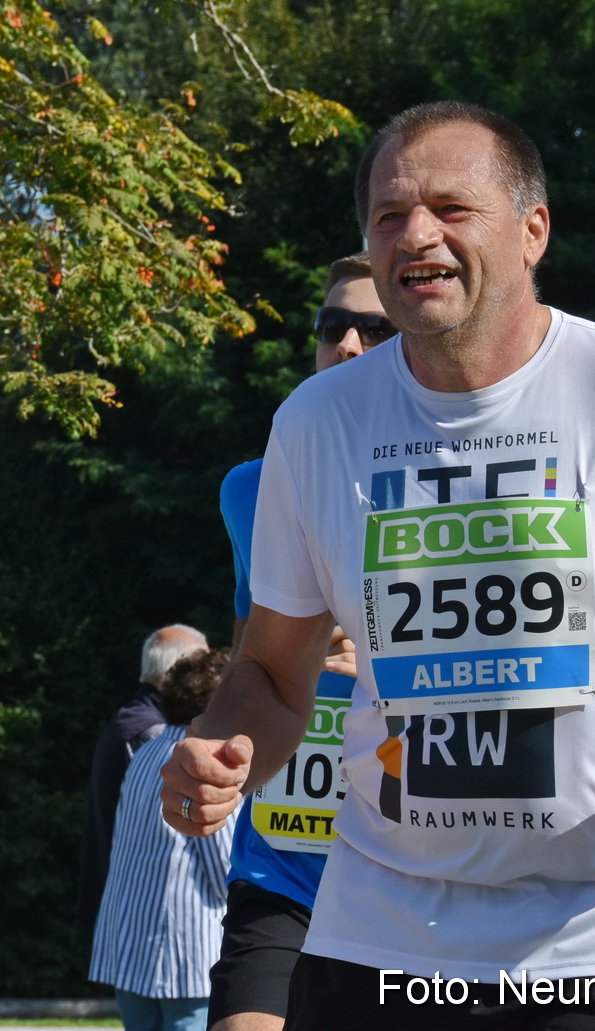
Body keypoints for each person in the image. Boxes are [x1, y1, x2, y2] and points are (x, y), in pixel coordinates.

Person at [162, 100, 595, 1028]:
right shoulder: (317, 426)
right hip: (377, 925)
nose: (417, 236)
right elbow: (274, 678)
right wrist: (223, 748)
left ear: (534, 230)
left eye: (452, 207)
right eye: (391, 215)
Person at [208, 255, 389, 1031]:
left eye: (372, 329)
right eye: (331, 327)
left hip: (405, 867)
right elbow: (252, 648)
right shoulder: (252, 486)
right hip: (281, 859)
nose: (346, 343)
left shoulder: (464, 472)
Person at [92, 650, 237, 1031]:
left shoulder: (148, 751)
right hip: (186, 954)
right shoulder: (204, 762)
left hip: (129, 945)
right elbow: (227, 870)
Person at [79, 624, 211, 936]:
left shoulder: (130, 722)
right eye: (202, 668)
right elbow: (180, 828)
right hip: (149, 921)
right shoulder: (154, 738)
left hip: (126, 911)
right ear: (180, 672)